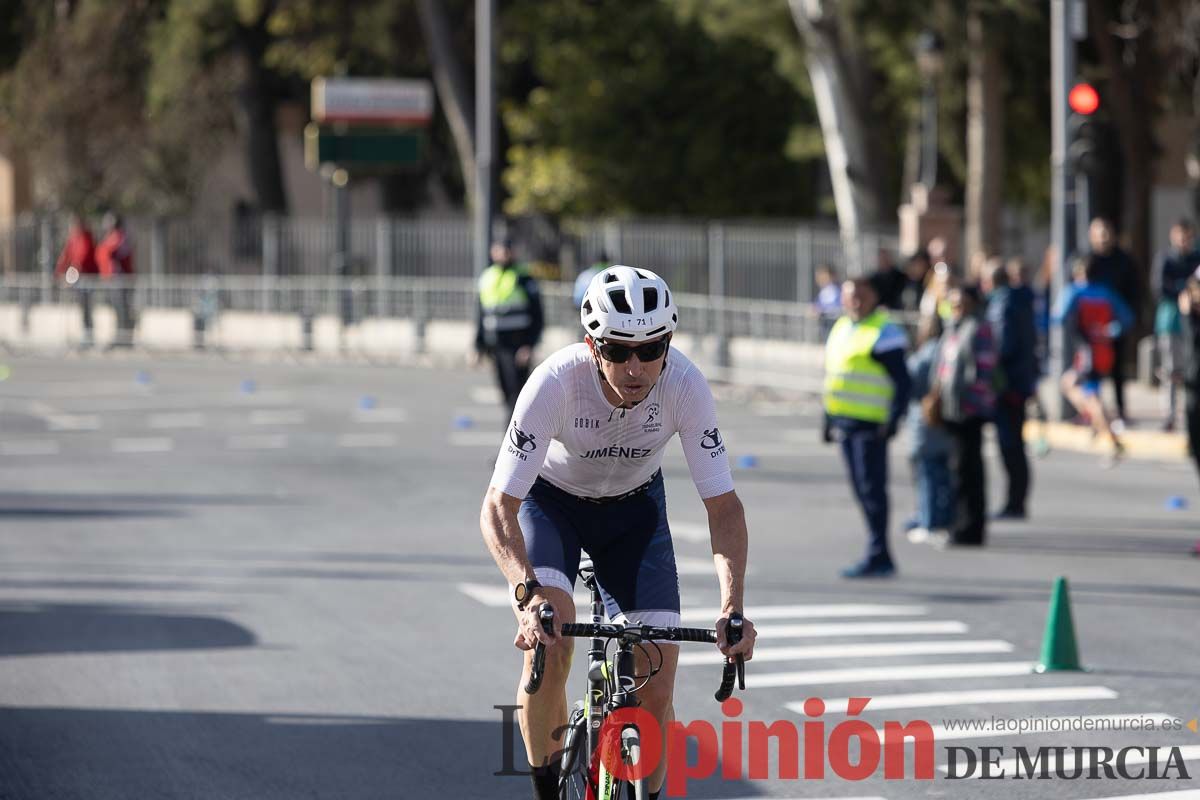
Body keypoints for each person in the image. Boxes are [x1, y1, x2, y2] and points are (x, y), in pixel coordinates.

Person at [479, 265, 757, 800]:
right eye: (617, 349)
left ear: (668, 343)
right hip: (552, 506)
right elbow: (498, 506)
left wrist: (733, 607)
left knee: (659, 681)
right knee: (552, 642)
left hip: (634, 514)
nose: (635, 366)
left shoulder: (684, 384)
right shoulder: (555, 382)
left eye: (651, 349)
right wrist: (524, 591)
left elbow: (723, 508)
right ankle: (545, 787)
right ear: (591, 344)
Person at [822, 274, 912, 577]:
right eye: (849, 295)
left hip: (870, 425)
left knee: (873, 491)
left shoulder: (884, 332)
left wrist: (894, 419)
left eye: (861, 295)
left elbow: (903, 381)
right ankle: (878, 550)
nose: (855, 300)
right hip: (845, 422)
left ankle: (880, 553)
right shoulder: (842, 327)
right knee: (861, 490)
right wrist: (827, 418)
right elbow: (835, 374)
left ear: (874, 297)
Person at [927, 286, 996, 547]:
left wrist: (968, 400)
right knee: (958, 469)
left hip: (969, 409)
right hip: (951, 408)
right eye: (953, 304)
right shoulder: (953, 329)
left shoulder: (978, 328)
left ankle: (970, 528)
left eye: (961, 303)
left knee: (968, 471)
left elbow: (983, 371)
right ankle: (959, 523)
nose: (956, 308)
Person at [1056, 257, 1135, 468]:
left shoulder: (1075, 291)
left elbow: (1058, 315)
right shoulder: (1106, 292)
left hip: (1088, 351)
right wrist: (1109, 331)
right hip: (1104, 350)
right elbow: (1127, 318)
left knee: (1083, 392)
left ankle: (1111, 441)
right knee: (1086, 389)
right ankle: (1096, 424)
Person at [983, 258, 1038, 520]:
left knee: (1011, 445)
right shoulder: (1017, 301)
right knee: (1013, 444)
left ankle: (1015, 502)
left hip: (1008, 385)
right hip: (1017, 382)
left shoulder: (1003, 304)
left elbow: (1003, 345)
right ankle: (1016, 501)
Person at [475, 238, 544, 419]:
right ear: (492, 252)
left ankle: (513, 436)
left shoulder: (523, 277)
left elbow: (537, 314)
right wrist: (478, 346)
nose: (503, 254)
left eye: (507, 250)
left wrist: (530, 344)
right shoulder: (487, 277)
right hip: (497, 347)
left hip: (518, 346)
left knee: (518, 395)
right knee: (506, 393)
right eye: (499, 250)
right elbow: (482, 315)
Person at [1084, 218, 1141, 427]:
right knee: (1091, 368)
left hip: (1116, 322)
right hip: (1091, 325)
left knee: (1118, 367)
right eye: (1099, 234)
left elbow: (1135, 291)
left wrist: (1129, 318)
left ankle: (1120, 409)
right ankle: (1094, 411)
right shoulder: (1087, 260)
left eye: (1106, 233)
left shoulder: (1124, 261)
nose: (1104, 238)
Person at [904, 313, 954, 543]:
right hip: (945, 418)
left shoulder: (930, 350)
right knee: (941, 475)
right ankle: (940, 517)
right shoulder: (949, 346)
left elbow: (912, 379)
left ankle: (929, 520)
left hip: (927, 419)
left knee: (928, 474)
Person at [1152, 220, 1200, 431]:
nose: (1183, 240)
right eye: (1180, 235)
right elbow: (1159, 287)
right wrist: (1183, 291)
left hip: (1193, 320)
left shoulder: (1196, 259)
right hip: (1171, 319)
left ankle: (1190, 411)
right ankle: (1170, 414)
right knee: (1171, 369)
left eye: (1187, 236)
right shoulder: (1165, 259)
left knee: (1191, 370)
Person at [54, 214, 99, 349]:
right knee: (82, 306)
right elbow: (66, 256)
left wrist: (71, 276)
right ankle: (85, 334)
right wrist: (58, 272)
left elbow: (81, 260)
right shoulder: (73, 238)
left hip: (86, 278)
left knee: (87, 307)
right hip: (79, 279)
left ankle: (89, 335)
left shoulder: (85, 238)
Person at [96, 212, 136, 348]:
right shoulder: (111, 238)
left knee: (122, 309)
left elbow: (115, 253)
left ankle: (125, 339)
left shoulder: (120, 238)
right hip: (112, 280)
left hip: (120, 280)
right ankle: (120, 337)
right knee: (117, 310)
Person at [812, 263, 841, 339]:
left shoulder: (834, 290)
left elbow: (836, 306)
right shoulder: (824, 291)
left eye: (822, 276)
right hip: (825, 324)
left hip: (833, 324)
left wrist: (821, 311)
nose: (819, 279)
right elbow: (818, 304)